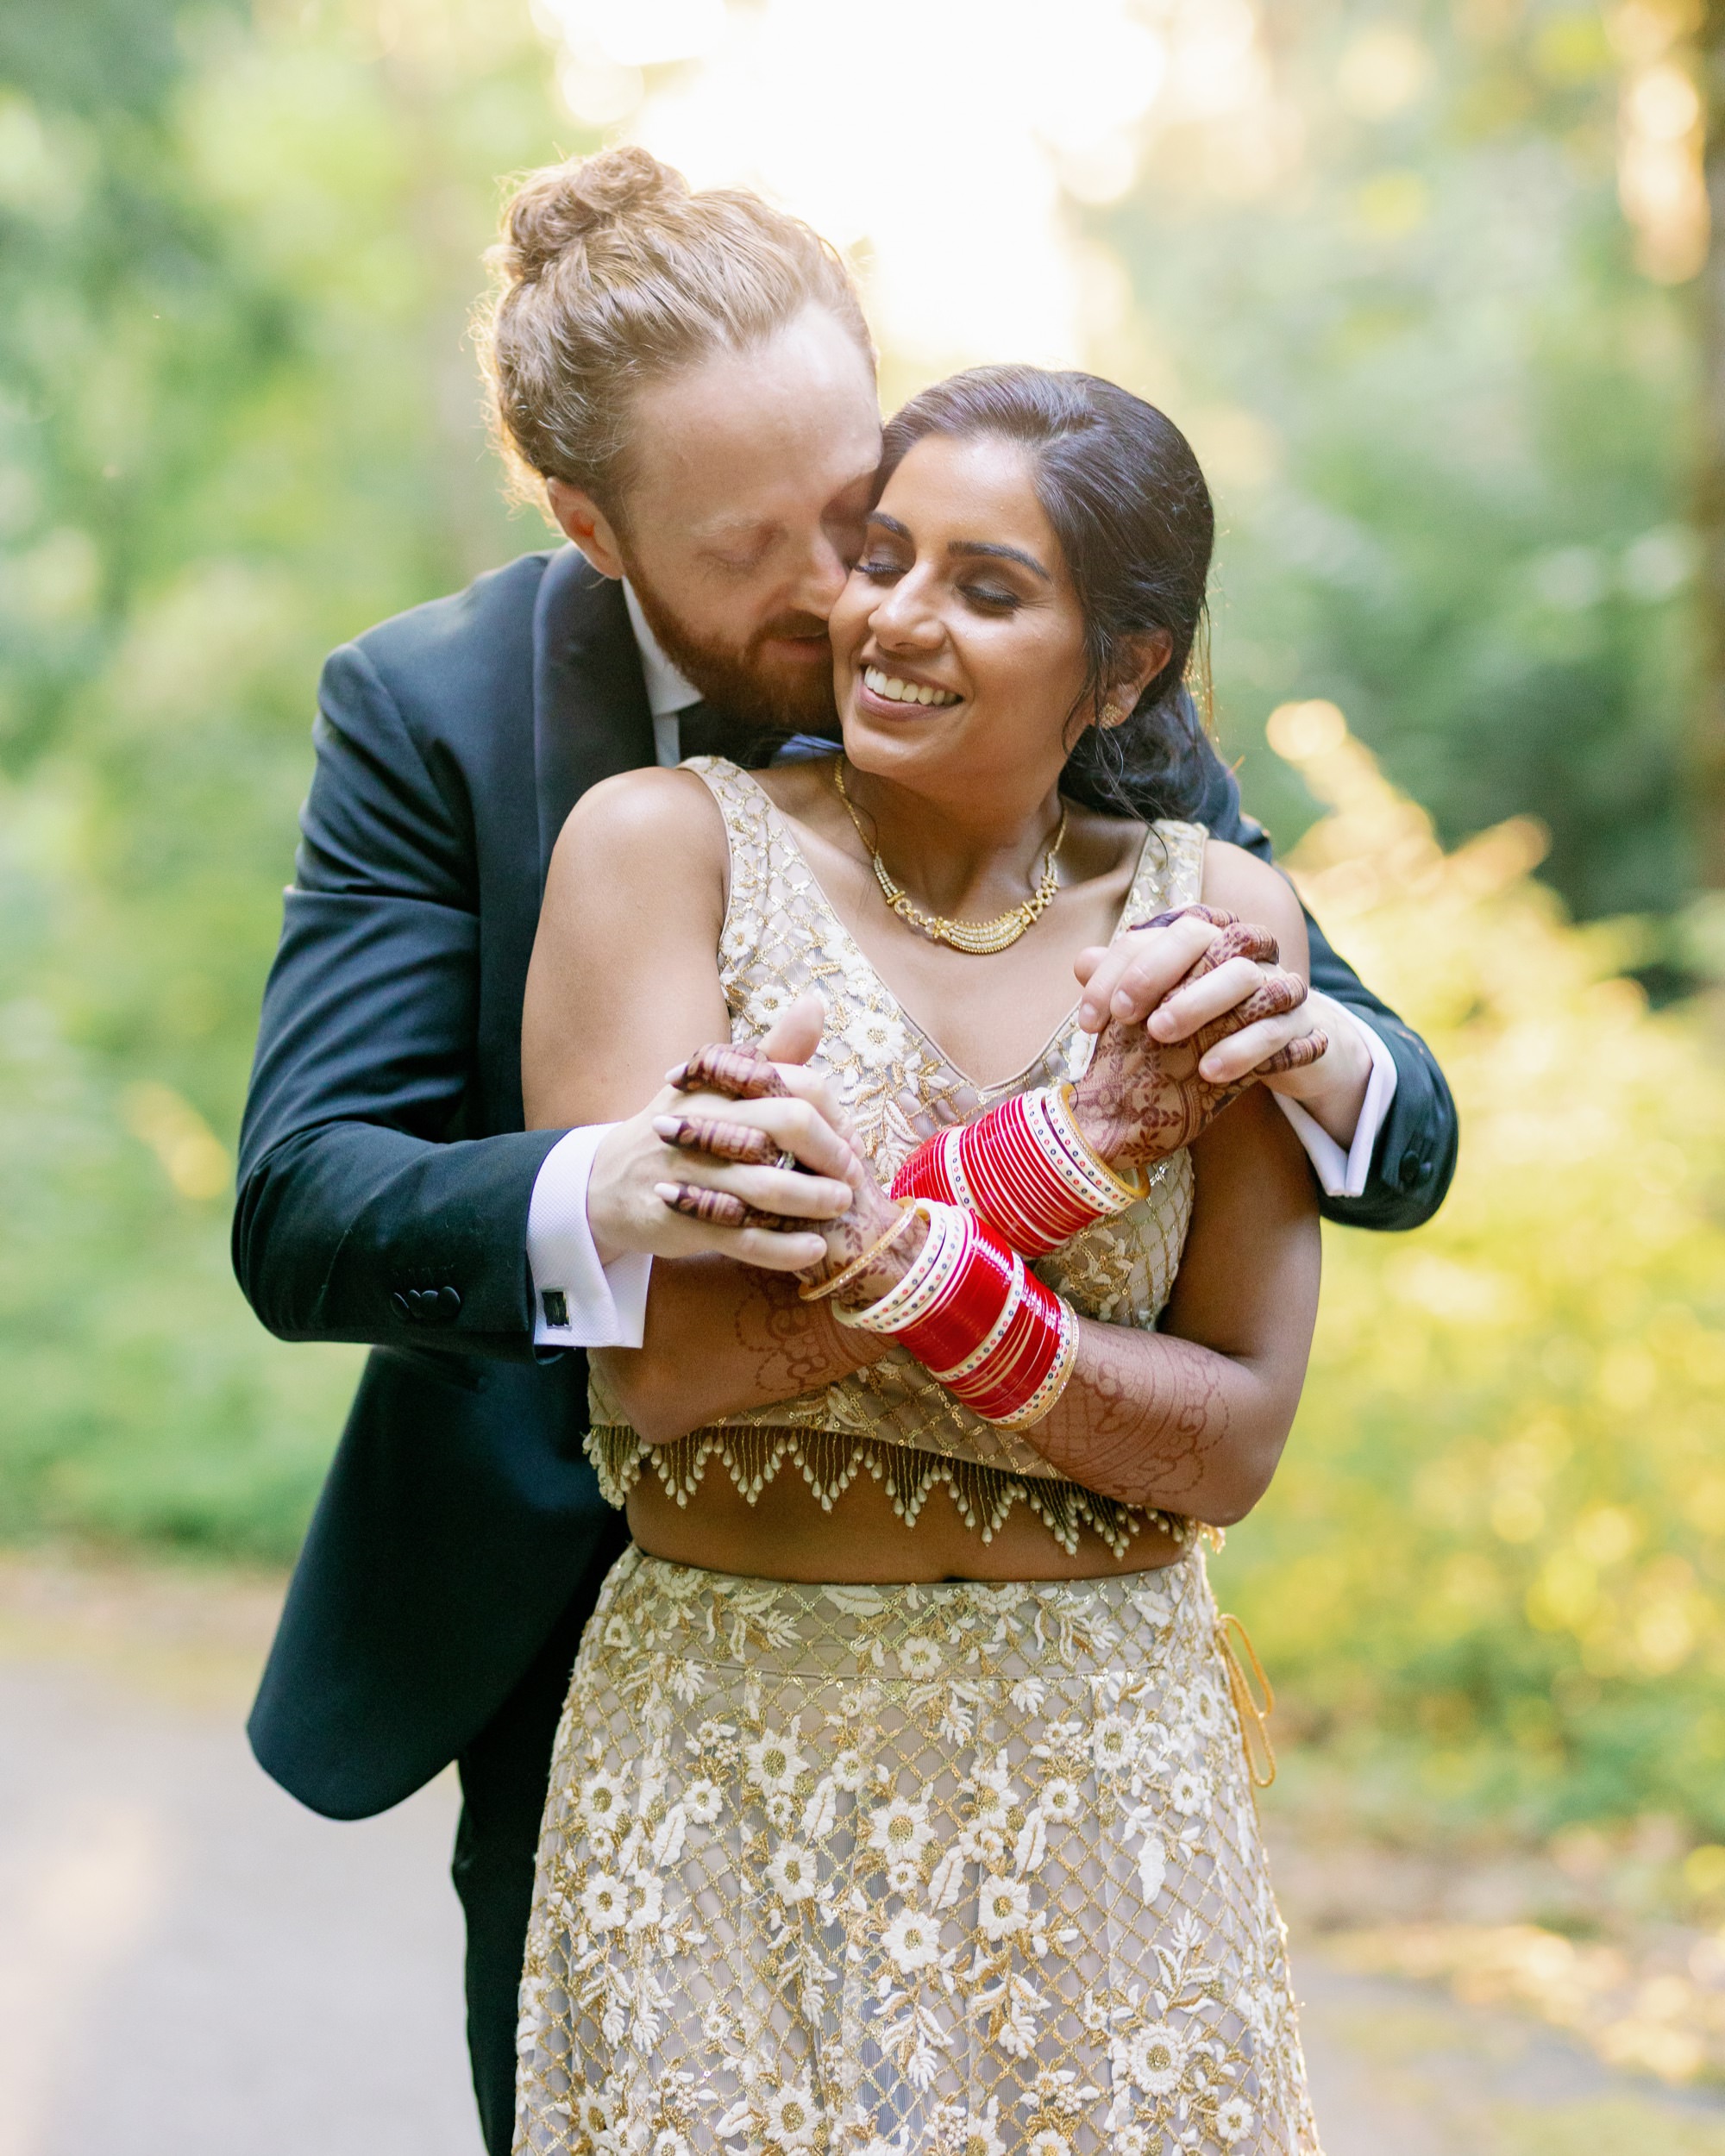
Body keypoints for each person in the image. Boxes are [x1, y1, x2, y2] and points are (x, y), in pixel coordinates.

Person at [232, 147, 1453, 2152]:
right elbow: (306, 1199)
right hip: (606, 1617)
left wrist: (1313, 1054)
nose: (847, 593)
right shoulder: (441, 709)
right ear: (590, 525)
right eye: (760, 545)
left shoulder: (1033, 646)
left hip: (1081, 1673)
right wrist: (612, 1195)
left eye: (860, 502)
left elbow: (1361, 1092)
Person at [514, 364, 1322, 2153]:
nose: (891, 617)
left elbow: (1237, 1434)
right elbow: (670, 1364)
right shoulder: (666, 852)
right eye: (883, 556)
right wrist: (1061, 1159)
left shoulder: (1220, 925)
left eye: (985, 584)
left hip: (1106, 1762)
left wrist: (885, 1248)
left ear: (1121, 669)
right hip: (730, 1739)